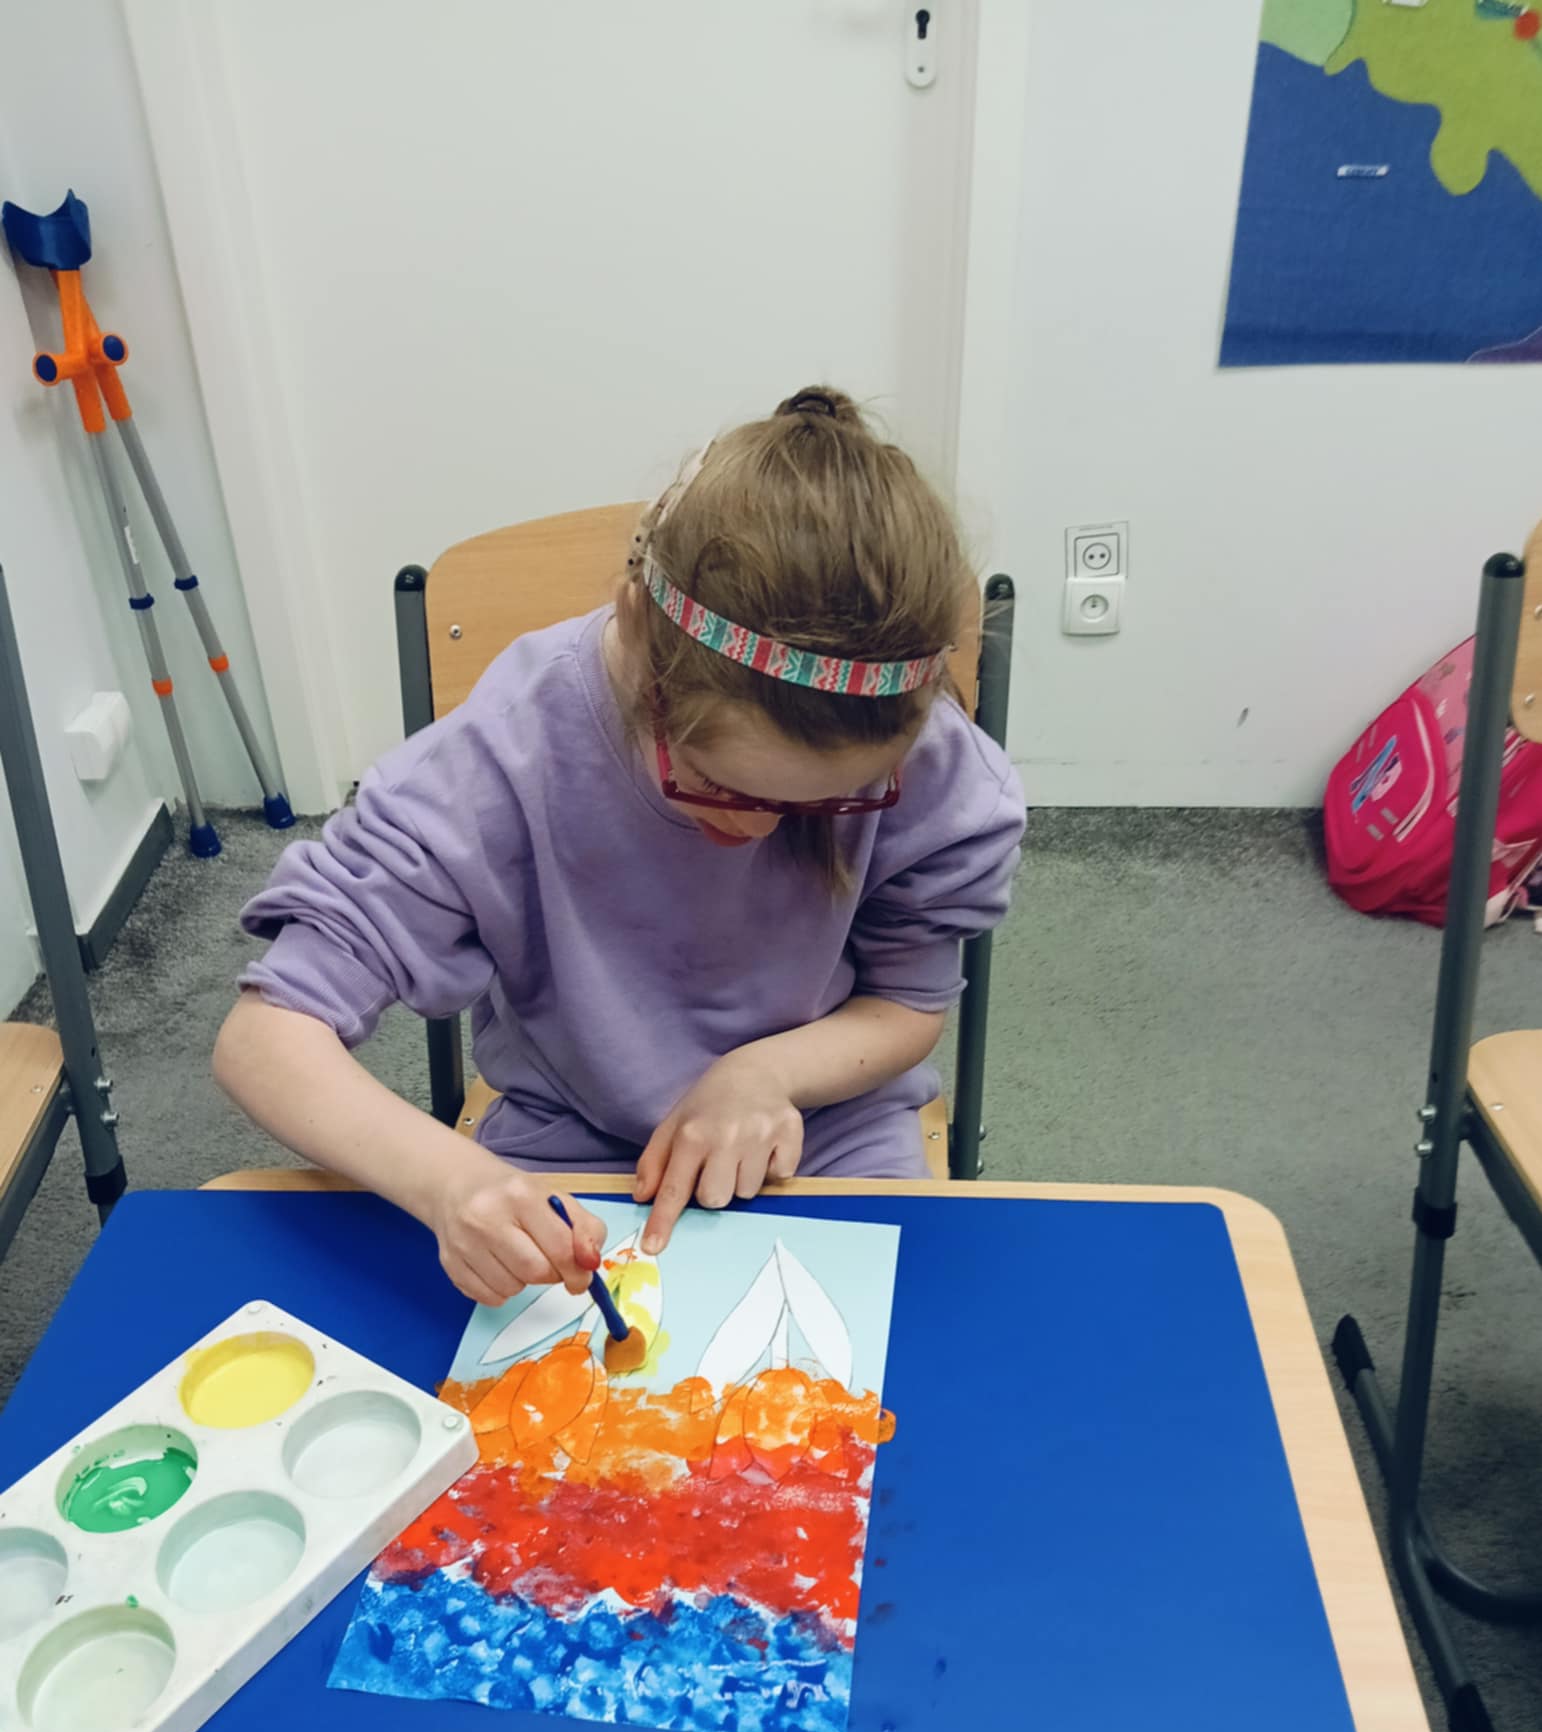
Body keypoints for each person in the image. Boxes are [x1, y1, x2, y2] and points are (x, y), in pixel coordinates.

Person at [215, 386, 1026, 1306]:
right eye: (715, 783)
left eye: (826, 803)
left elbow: (907, 1005)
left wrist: (763, 1073)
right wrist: (449, 1182)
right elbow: (266, 1038)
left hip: (822, 1121)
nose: (761, 828)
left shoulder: (932, 766)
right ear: (637, 628)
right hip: (569, 1141)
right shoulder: (503, 758)